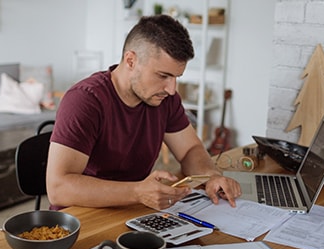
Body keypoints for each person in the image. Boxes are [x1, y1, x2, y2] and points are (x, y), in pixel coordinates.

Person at [46, 15, 241, 211]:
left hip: (134, 210)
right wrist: (138, 192)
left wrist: (211, 176)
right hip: (82, 218)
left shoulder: (165, 99)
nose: (172, 89)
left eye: (176, 77)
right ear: (130, 60)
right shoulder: (85, 101)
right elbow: (58, 188)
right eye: (163, 76)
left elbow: (190, 149)